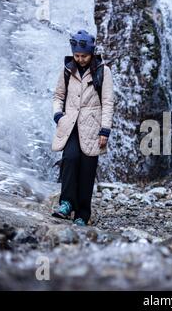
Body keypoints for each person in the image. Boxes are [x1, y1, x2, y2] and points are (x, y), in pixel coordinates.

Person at [51, 30, 114, 226]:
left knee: (87, 169)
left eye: (84, 56)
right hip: (70, 125)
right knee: (69, 159)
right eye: (77, 55)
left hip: (93, 127)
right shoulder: (67, 69)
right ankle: (67, 203)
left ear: (92, 53)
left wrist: (105, 130)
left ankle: (82, 214)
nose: (80, 59)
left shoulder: (103, 71)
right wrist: (58, 115)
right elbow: (58, 96)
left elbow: (108, 102)